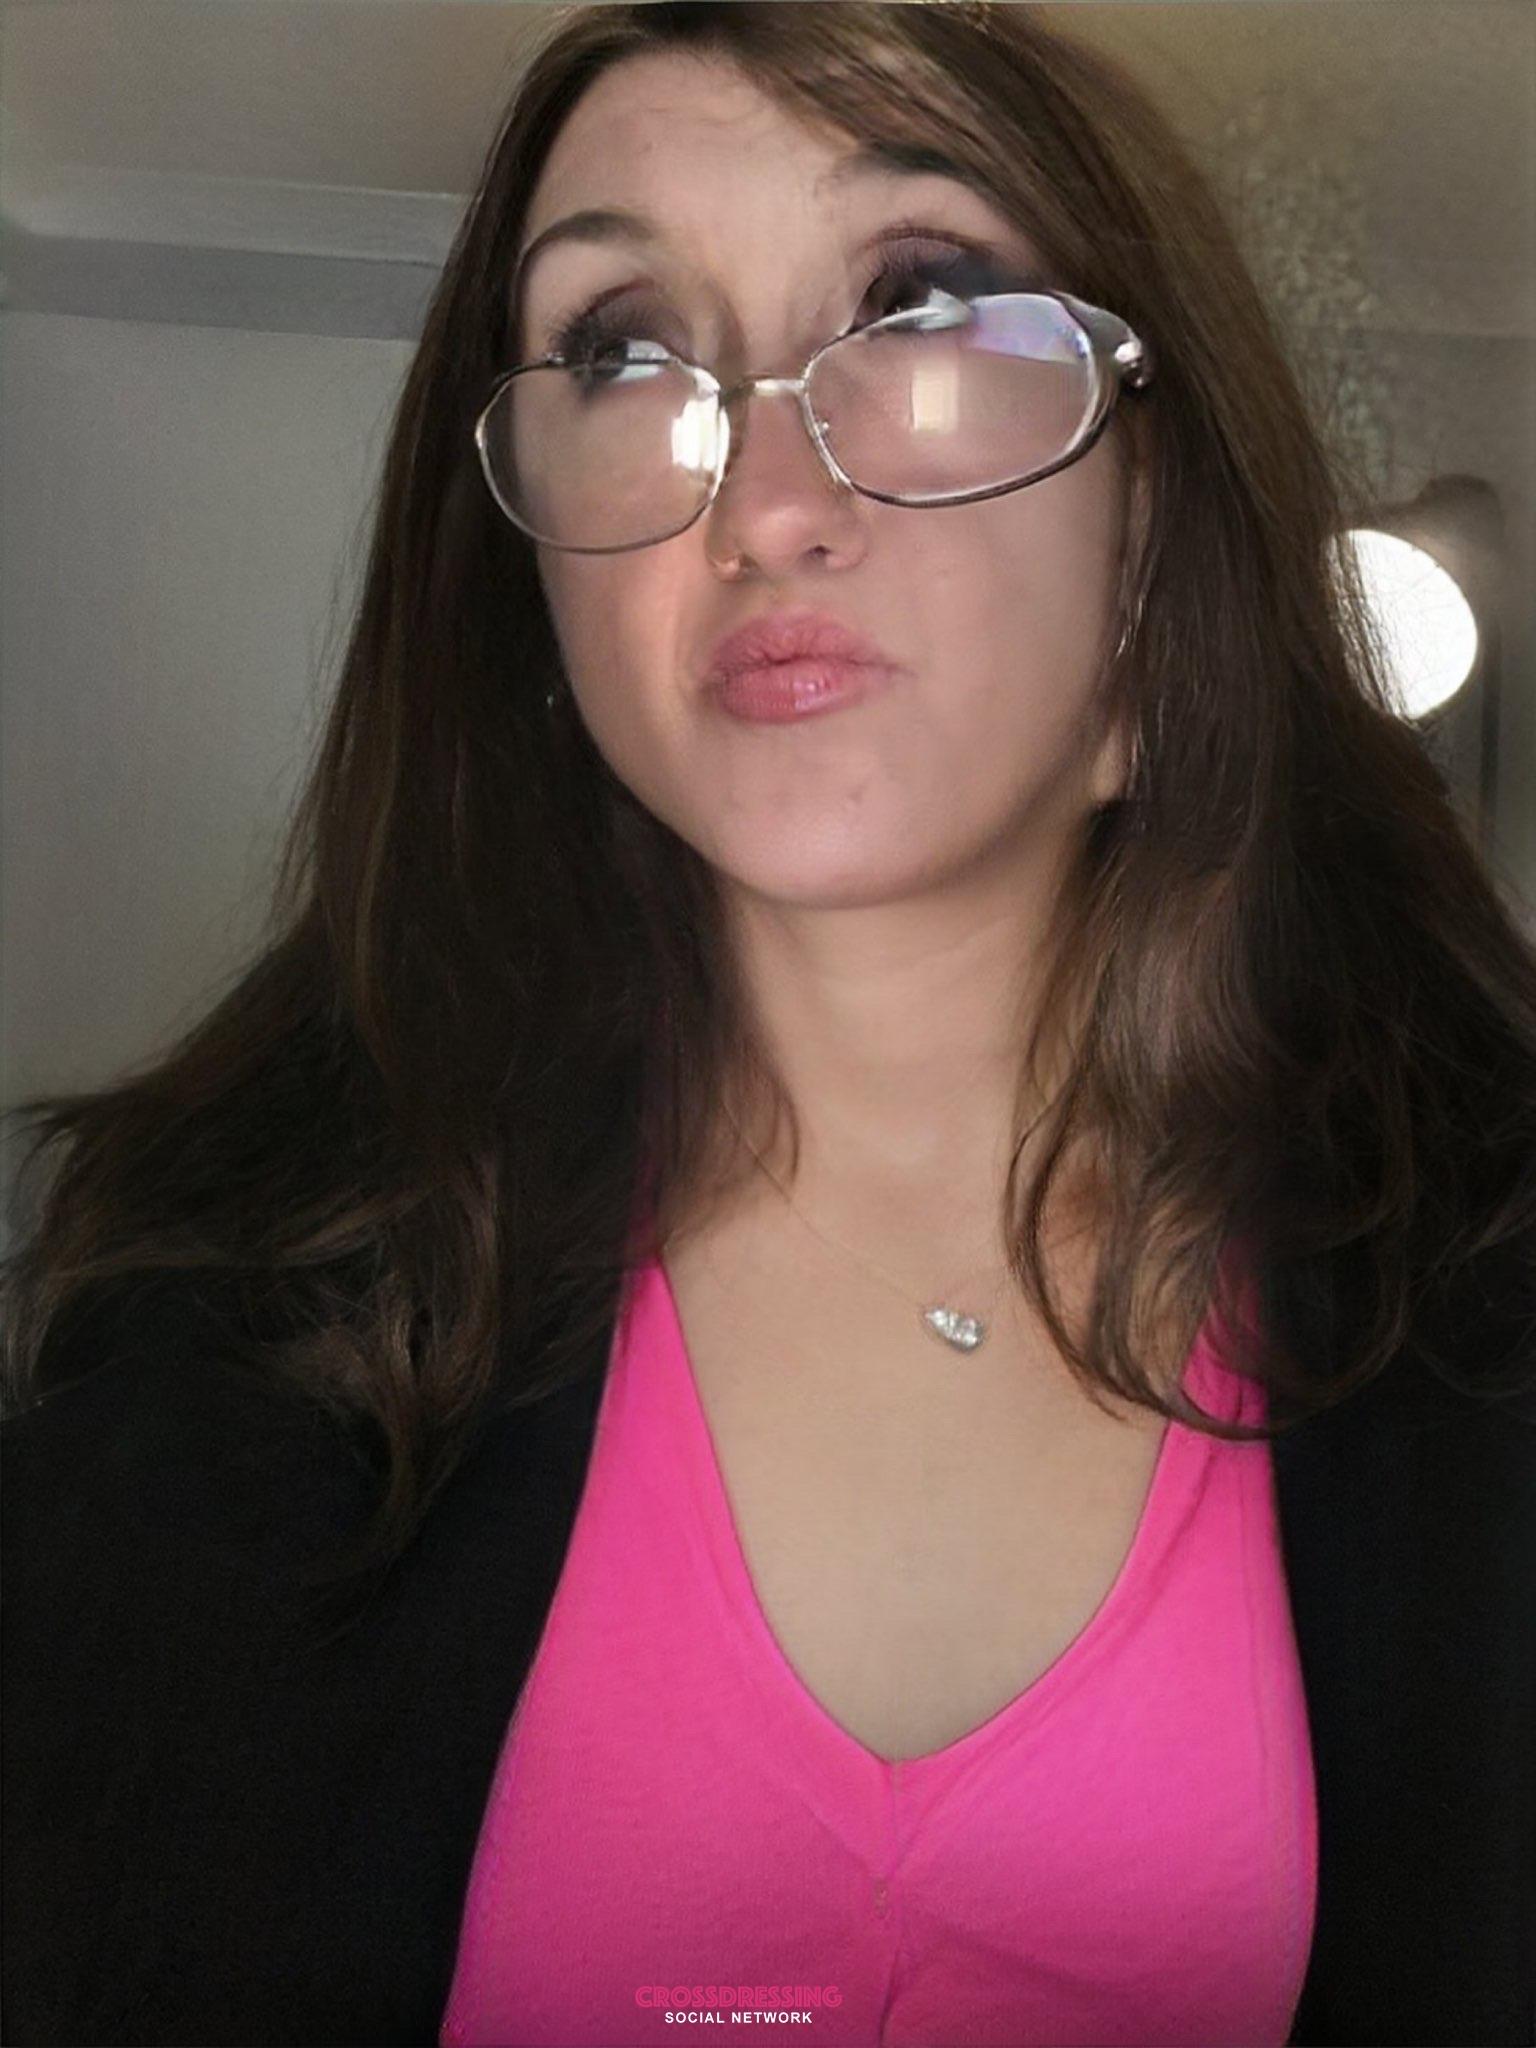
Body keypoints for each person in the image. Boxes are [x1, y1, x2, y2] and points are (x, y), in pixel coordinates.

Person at [3, 4, 1533, 2044]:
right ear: (529, 576)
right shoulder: (217, 1327)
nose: (768, 501)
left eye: (920, 305)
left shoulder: (1489, 1289)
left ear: (1154, 524)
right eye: (623, 346)